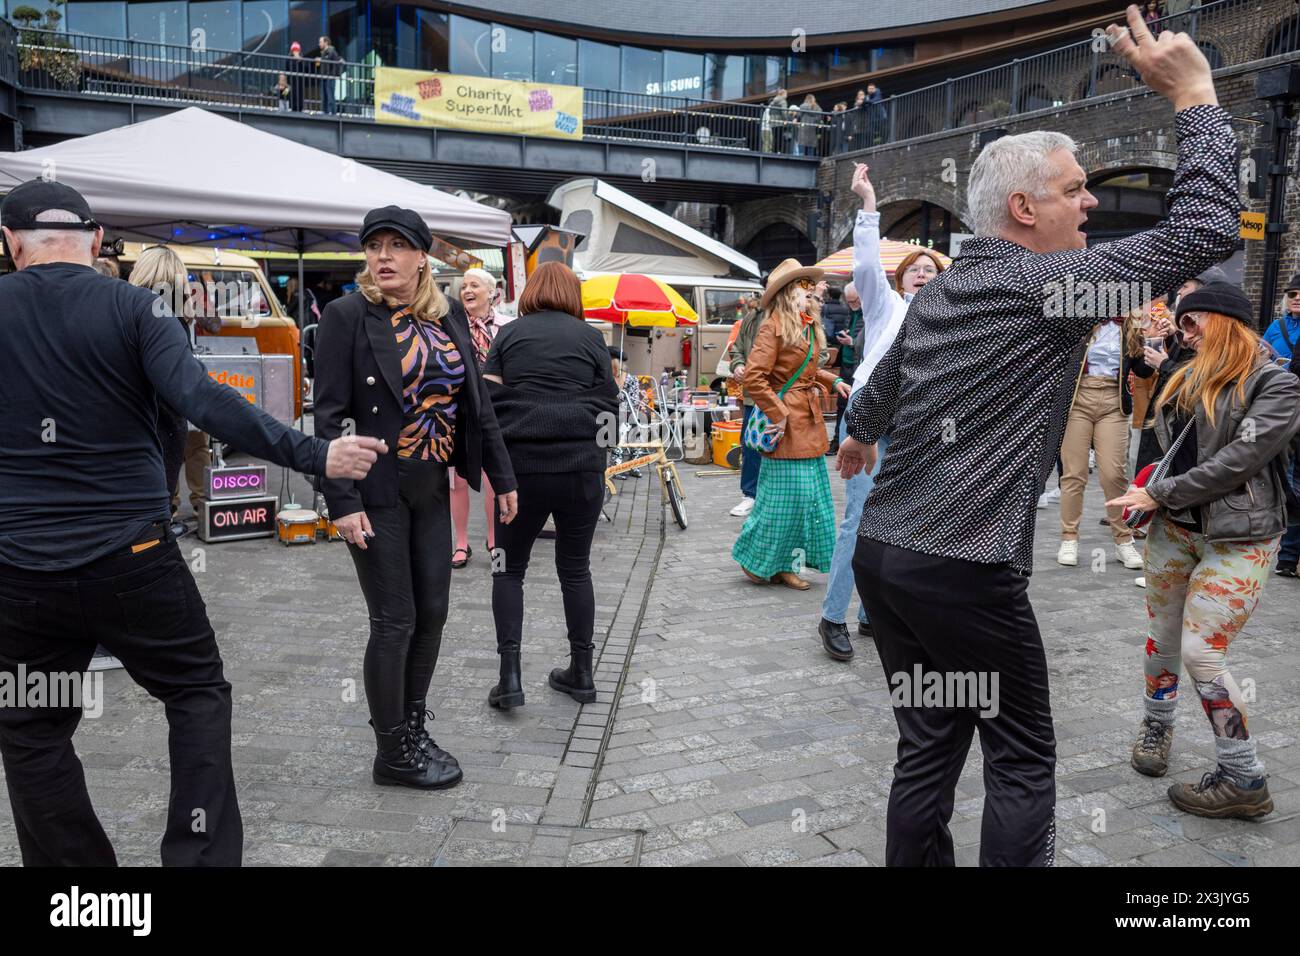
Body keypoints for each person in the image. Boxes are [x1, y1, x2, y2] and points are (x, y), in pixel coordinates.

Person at [839, 9, 1238, 866]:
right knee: (1019, 758)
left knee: (930, 746)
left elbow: (879, 387)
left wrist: (861, 440)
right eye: (1075, 188)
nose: (1092, 200)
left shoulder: (946, 289)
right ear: (1024, 209)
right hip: (961, 571)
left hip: (887, 560)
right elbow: (1205, 232)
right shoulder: (1050, 292)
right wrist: (1197, 95)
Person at [0, 179, 383, 866]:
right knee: (195, 693)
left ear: (8, 242)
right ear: (94, 241)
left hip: (19, 567)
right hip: (133, 554)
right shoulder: (135, 307)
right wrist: (317, 453)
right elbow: (203, 400)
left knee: (30, 727)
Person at [314, 205, 518, 789]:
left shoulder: (447, 314)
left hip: (432, 486)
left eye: (396, 246)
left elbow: (476, 406)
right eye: (374, 246)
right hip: (376, 489)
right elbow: (327, 417)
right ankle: (391, 751)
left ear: (421, 256)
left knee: (432, 614)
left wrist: (502, 479)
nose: (383, 257)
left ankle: (410, 726)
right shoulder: (346, 315)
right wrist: (342, 501)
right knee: (394, 619)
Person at [1110, 282, 1300, 818]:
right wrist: (1146, 374)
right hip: (1173, 529)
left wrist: (1159, 492)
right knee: (1162, 640)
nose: (1183, 330)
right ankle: (1157, 725)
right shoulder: (1183, 373)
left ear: (1226, 322)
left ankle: (1244, 775)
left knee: (1201, 652)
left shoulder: (1277, 385)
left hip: (1241, 536)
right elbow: (1149, 430)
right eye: (1180, 321)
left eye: (1193, 321)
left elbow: (1241, 458)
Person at [480, 262, 619, 709]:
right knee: (575, 569)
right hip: (582, 471)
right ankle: (582, 673)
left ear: (532, 292)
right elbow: (609, 404)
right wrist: (600, 458)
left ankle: (510, 678)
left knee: (509, 569)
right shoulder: (592, 338)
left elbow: (488, 405)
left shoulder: (510, 335)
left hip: (521, 473)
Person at [820, 165, 944, 661]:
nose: (923, 273)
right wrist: (869, 203)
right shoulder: (885, 307)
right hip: (869, 425)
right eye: (916, 268)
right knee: (858, 519)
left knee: (903, 522)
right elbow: (866, 266)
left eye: (932, 269)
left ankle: (875, 613)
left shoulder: (948, 320)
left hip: (918, 429)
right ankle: (833, 616)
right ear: (901, 277)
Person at [734, 259, 851, 590]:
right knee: (785, 502)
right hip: (785, 427)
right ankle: (757, 561)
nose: (810, 291)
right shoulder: (773, 326)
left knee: (807, 503)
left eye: (809, 286)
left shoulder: (808, 324)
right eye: (803, 286)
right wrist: (778, 413)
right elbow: (755, 379)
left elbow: (807, 372)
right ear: (788, 292)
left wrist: (831, 381)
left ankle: (786, 565)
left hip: (808, 422)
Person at [127, 245, 221, 534]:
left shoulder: (125, 307)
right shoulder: (175, 310)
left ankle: (166, 518)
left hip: (135, 415)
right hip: (168, 412)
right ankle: (172, 517)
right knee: (190, 455)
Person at [1055, 310, 1149, 570]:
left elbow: (1142, 371)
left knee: (1113, 475)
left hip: (1113, 402)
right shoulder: (1078, 319)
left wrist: (1153, 340)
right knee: (1074, 474)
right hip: (1078, 400)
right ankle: (1069, 538)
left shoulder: (1131, 324)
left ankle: (1123, 541)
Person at [450, 267, 513, 568]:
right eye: (463, 286)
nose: (467, 291)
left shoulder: (508, 327)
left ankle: (493, 538)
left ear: (491, 291)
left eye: (474, 285)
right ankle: (461, 543)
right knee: (457, 480)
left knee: (492, 477)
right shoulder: (452, 325)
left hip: (496, 409)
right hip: (460, 409)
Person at [728, 297, 767, 517]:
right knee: (751, 445)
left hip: (784, 395)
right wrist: (739, 365)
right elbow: (737, 349)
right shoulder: (753, 317)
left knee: (779, 448)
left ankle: (772, 497)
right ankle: (750, 495)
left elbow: (819, 355)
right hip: (754, 394)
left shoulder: (797, 316)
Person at [820, 286, 851, 453]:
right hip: (842, 352)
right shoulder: (846, 309)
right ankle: (840, 439)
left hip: (835, 348)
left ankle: (838, 441)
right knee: (843, 402)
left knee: (842, 403)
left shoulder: (825, 308)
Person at [1263, 272, 1300, 362]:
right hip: (1278, 375)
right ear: (1287, 299)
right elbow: (1261, 353)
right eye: (1292, 294)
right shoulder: (1277, 325)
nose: (1297, 298)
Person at [318, 36, 345, 115]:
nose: (319, 44)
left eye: (320, 42)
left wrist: (321, 60)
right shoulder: (324, 52)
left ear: (326, 42)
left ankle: (333, 113)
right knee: (325, 97)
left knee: (330, 96)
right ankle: (326, 112)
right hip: (324, 77)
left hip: (330, 77)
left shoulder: (331, 51)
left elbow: (336, 61)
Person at [286, 42, 307, 112]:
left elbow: (304, 69)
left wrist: (299, 60)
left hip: (300, 80)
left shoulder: (302, 58)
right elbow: (287, 68)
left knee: (299, 94)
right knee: (292, 94)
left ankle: (300, 108)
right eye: (294, 50)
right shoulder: (289, 58)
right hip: (292, 80)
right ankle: (292, 107)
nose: (295, 52)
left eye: (297, 50)